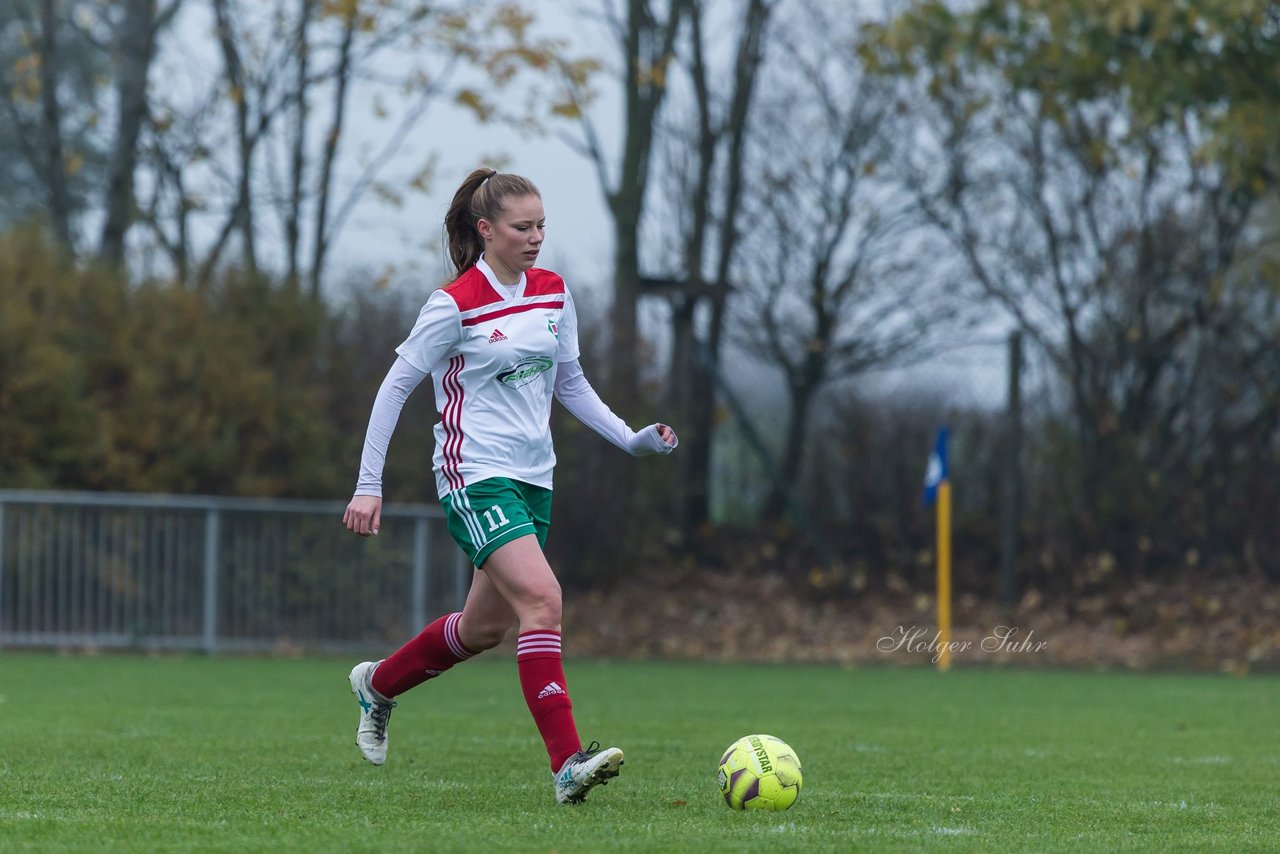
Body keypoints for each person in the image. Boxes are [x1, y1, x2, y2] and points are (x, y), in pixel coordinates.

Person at [341, 166, 678, 805]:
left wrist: (630, 438)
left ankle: (378, 685)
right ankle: (566, 766)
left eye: (541, 225)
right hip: (473, 476)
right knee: (544, 602)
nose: (535, 238)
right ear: (486, 229)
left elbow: (570, 383)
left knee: (482, 629)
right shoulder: (453, 304)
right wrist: (368, 484)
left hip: (534, 480)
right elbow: (395, 387)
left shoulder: (553, 292)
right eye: (522, 227)